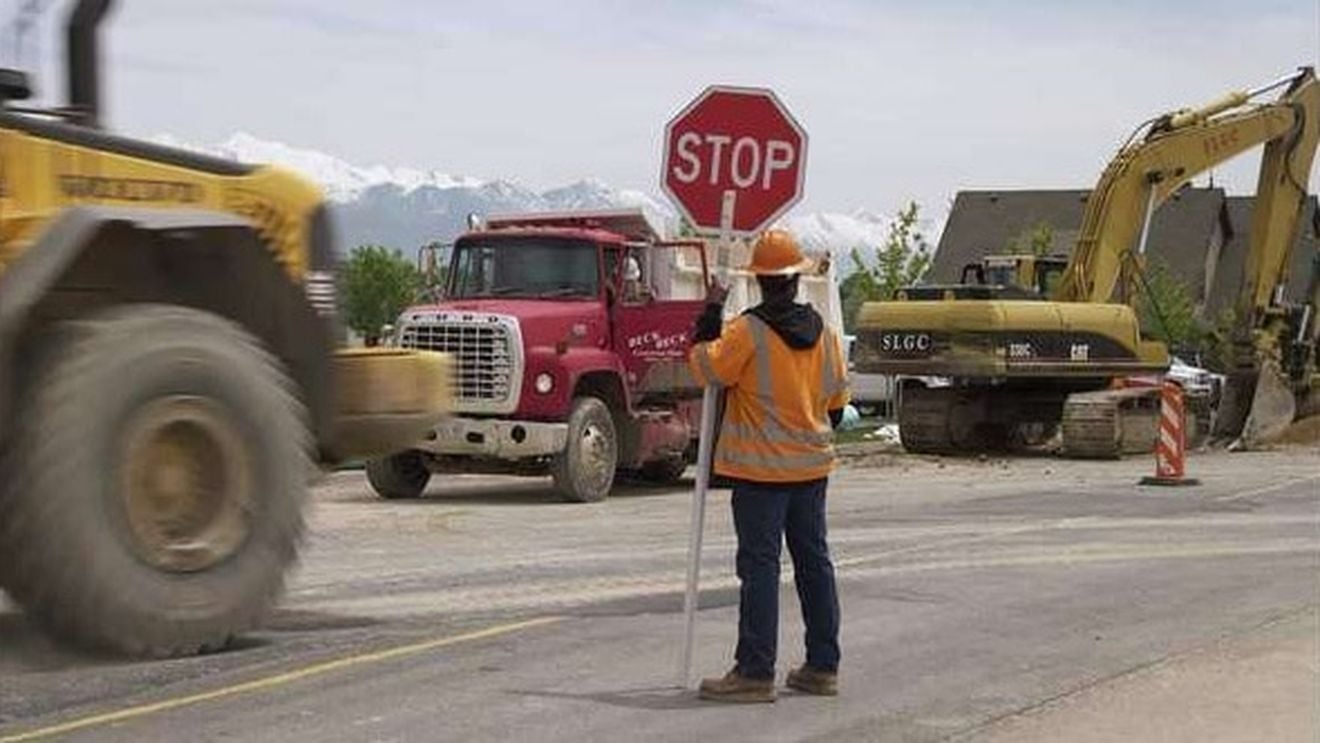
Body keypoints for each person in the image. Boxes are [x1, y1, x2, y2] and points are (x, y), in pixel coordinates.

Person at [688, 229, 850, 703]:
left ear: (759, 281)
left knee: (760, 569)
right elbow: (836, 407)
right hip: (812, 469)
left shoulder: (747, 331)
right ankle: (823, 666)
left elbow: (705, 369)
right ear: (797, 280)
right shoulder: (827, 335)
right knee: (814, 564)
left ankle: (755, 672)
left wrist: (710, 312)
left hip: (761, 476)